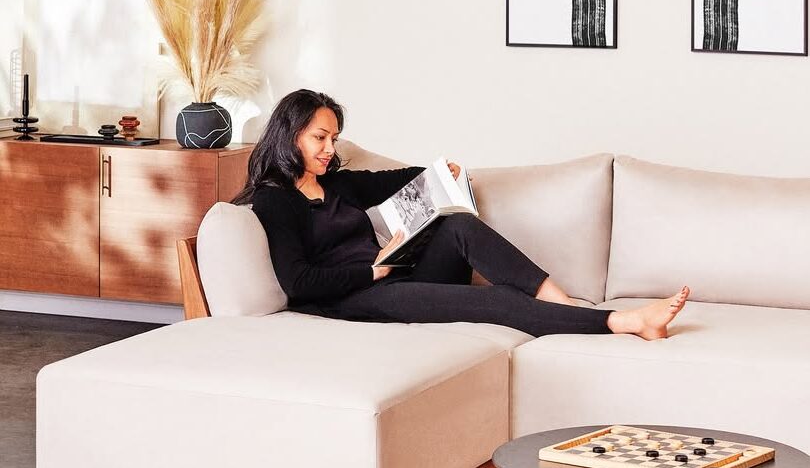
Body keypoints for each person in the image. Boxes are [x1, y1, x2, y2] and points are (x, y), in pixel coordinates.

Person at [234, 89, 690, 340]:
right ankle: (624, 321)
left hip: (395, 275)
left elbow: (396, 178)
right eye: (320, 138)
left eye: (334, 138)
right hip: (355, 300)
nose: (330, 149)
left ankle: (565, 306)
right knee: (494, 304)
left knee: (458, 225)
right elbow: (298, 283)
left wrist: (440, 174)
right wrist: (371, 272)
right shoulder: (276, 200)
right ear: (291, 134)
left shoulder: (336, 181)